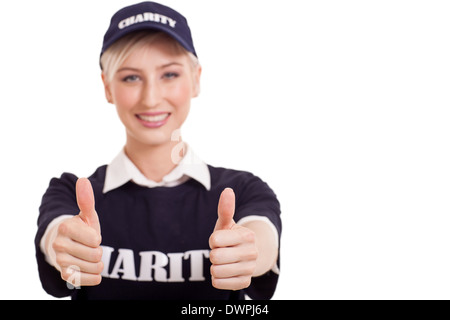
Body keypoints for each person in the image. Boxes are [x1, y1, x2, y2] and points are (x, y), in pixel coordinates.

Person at [35, 1, 281, 300]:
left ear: (196, 79)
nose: (151, 99)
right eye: (131, 77)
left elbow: (262, 236)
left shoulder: (243, 191)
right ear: (108, 87)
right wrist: (64, 245)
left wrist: (250, 251)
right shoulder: (70, 193)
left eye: (169, 74)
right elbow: (56, 235)